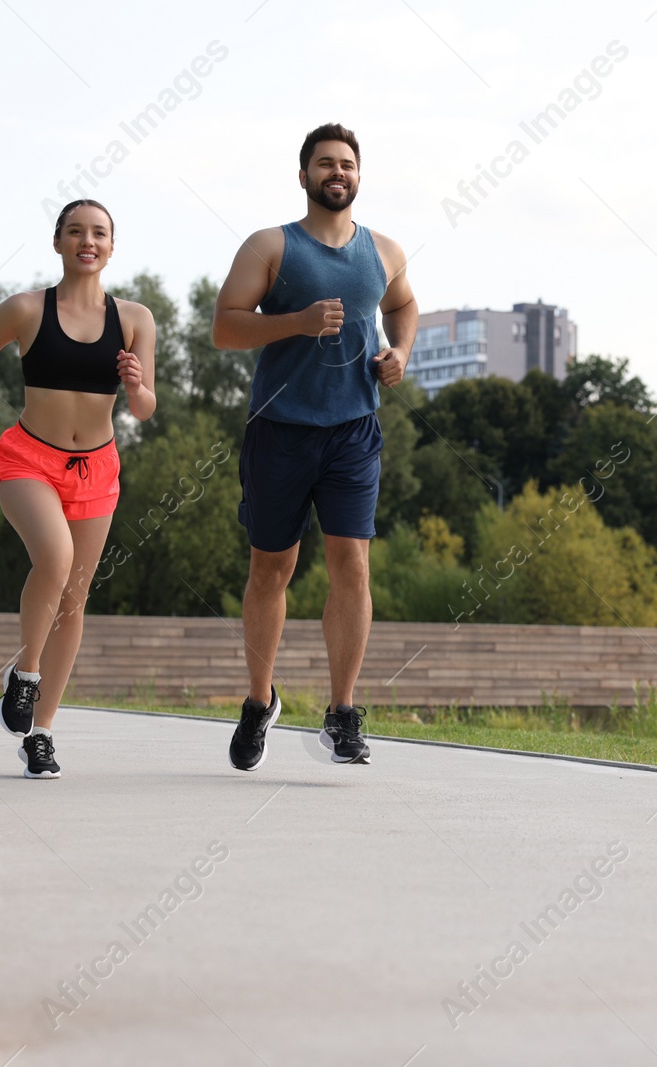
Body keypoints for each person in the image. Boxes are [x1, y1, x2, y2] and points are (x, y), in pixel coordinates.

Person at [213, 122, 416, 768]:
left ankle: (343, 711)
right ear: (303, 176)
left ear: (359, 175)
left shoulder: (383, 251)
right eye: (325, 163)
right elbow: (224, 328)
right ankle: (257, 700)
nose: (337, 172)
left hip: (354, 430)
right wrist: (296, 323)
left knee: (351, 564)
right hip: (280, 429)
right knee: (270, 570)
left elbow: (404, 307)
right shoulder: (270, 246)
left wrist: (400, 352)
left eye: (347, 164)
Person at [0, 200, 157, 778]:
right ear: (58, 242)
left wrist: (137, 386)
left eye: (98, 233)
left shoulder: (135, 319)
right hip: (27, 460)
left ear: (112, 247)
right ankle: (26, 672)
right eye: (75, 232)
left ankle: (40, 733)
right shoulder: (25, 309)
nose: (86, 241)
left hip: (97, 468)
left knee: (74, 599)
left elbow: (144, 410)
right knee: (56, 557)